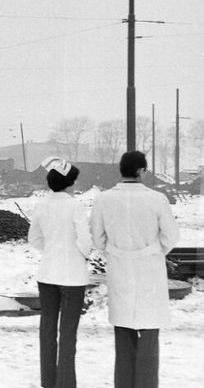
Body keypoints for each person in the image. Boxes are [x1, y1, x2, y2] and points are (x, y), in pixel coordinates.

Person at [90, 151, 180, 388]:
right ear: (141, 170)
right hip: (150, 270)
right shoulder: (157, 199)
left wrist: (116, 249)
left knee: (123, 333)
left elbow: (97, 240)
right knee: (149, 334)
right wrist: (154, 250)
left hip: (120, 269)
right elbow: (171, 237)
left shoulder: (103, 199)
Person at [28, 157, 90, 388]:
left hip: (47, 274)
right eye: (73, 181)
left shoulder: (41, 205)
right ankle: (65, 383)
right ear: (68, 183)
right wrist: (81, 254)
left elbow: (34, 239)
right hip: (73, 276)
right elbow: (85, 240)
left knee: (47, 329)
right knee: (68, 332)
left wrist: (52, 250)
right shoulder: (76, 205)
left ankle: (48, 382)